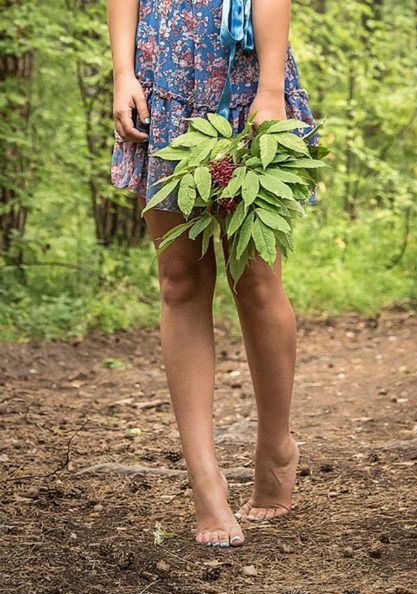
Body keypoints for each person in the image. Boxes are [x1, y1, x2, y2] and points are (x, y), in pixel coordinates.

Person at [107, 0, 317, 549]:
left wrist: (270, 90)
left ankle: (275, 446)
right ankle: (206, 483)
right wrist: (123, 70)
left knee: (256, 278)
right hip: (162, 66)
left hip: (245, 68)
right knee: (179, 278)